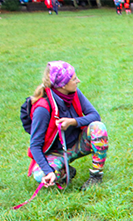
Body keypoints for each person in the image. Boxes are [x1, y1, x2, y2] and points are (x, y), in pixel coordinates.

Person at [27, 61, 108, 191]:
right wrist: (49, 172)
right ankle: (65, 171)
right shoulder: (42, 108)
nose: (78, 81)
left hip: (77, 144)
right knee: (39, 175)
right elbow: (35, 145)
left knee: (98, 127)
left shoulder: (74, 93)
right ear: (63, 85)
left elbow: (95, 116)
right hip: (56, 152)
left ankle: (96, 176)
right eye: (74, 79)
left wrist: (73, 121)